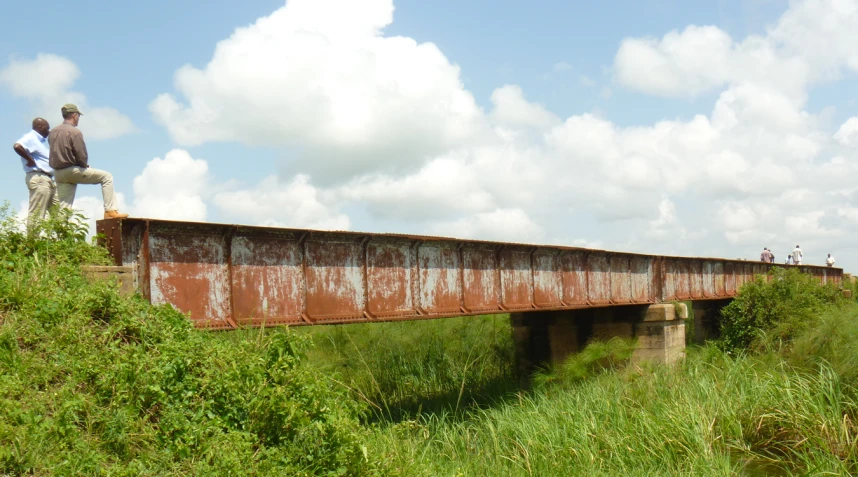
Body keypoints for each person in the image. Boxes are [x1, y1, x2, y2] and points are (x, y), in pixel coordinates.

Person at [48, 104, 128, 219]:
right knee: (107, 177)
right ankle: (110, 211)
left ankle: (60, 233)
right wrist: (84, 166)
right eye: (78, 116)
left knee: (64, 208)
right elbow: (81, 155)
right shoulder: (75, 132)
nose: (78, 119)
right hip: (71, 170)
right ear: (74, 115)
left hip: (58, 173)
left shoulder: (53, 132)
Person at [13, 118, 59, 230]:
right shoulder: (31, 137)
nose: (48, 131)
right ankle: (33, 242)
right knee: (37, 212)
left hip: (48, 179)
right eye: (47, 128)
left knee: (58, 211)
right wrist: (30, 160)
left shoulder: (40, 142)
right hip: (39, 177)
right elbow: (17, 146)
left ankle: (63, 241)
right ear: (40, 127)